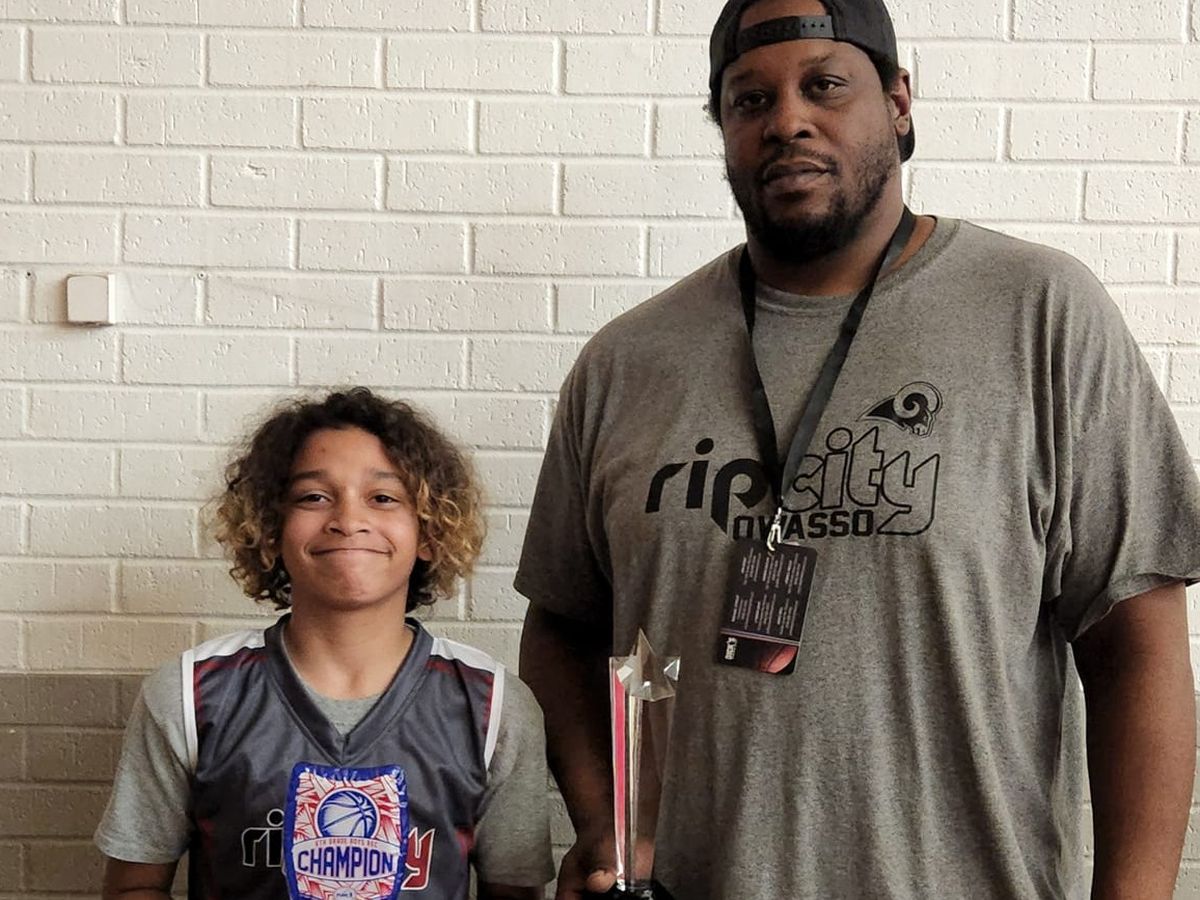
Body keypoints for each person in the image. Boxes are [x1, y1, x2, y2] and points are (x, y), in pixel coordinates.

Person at [515, 0, 1200, 897]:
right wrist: (608, 822)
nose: (787, 120)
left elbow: (1136, 643)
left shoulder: (1040, 315)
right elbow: (561, 626)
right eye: (749, 99)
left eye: (825, 85)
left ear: (899, 102)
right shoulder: (626, 363)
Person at [96, 387, 554, 900]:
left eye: (383, 498)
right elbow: (134, 887)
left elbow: (514, 892)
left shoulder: (493, 707)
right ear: (271, 529)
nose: (348, 520)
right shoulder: (189, 694)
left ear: (429, 531)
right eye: (314, 497)